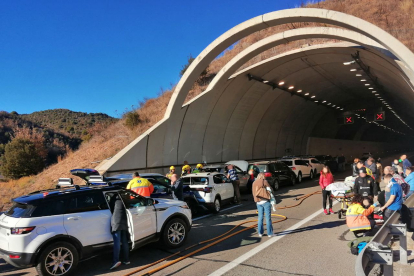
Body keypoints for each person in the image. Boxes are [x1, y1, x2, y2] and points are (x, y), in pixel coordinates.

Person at [109, 194, 130, 270]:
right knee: (124, 241)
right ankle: (126, 260)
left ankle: (116, 261)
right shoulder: (125, 200)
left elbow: (110, 209)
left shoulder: (114, 200)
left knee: (117, 242)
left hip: (116, 222)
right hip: (124, 222)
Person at [252, 173, 274, 237]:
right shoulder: (264, 181)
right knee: (268, 218)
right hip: (265, 201)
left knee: (260, 217)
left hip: (258, 202)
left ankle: (260, 233)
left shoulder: (254, 183)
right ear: (263, 176)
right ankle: (270, 233)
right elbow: (270, 189)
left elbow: (253, 193)